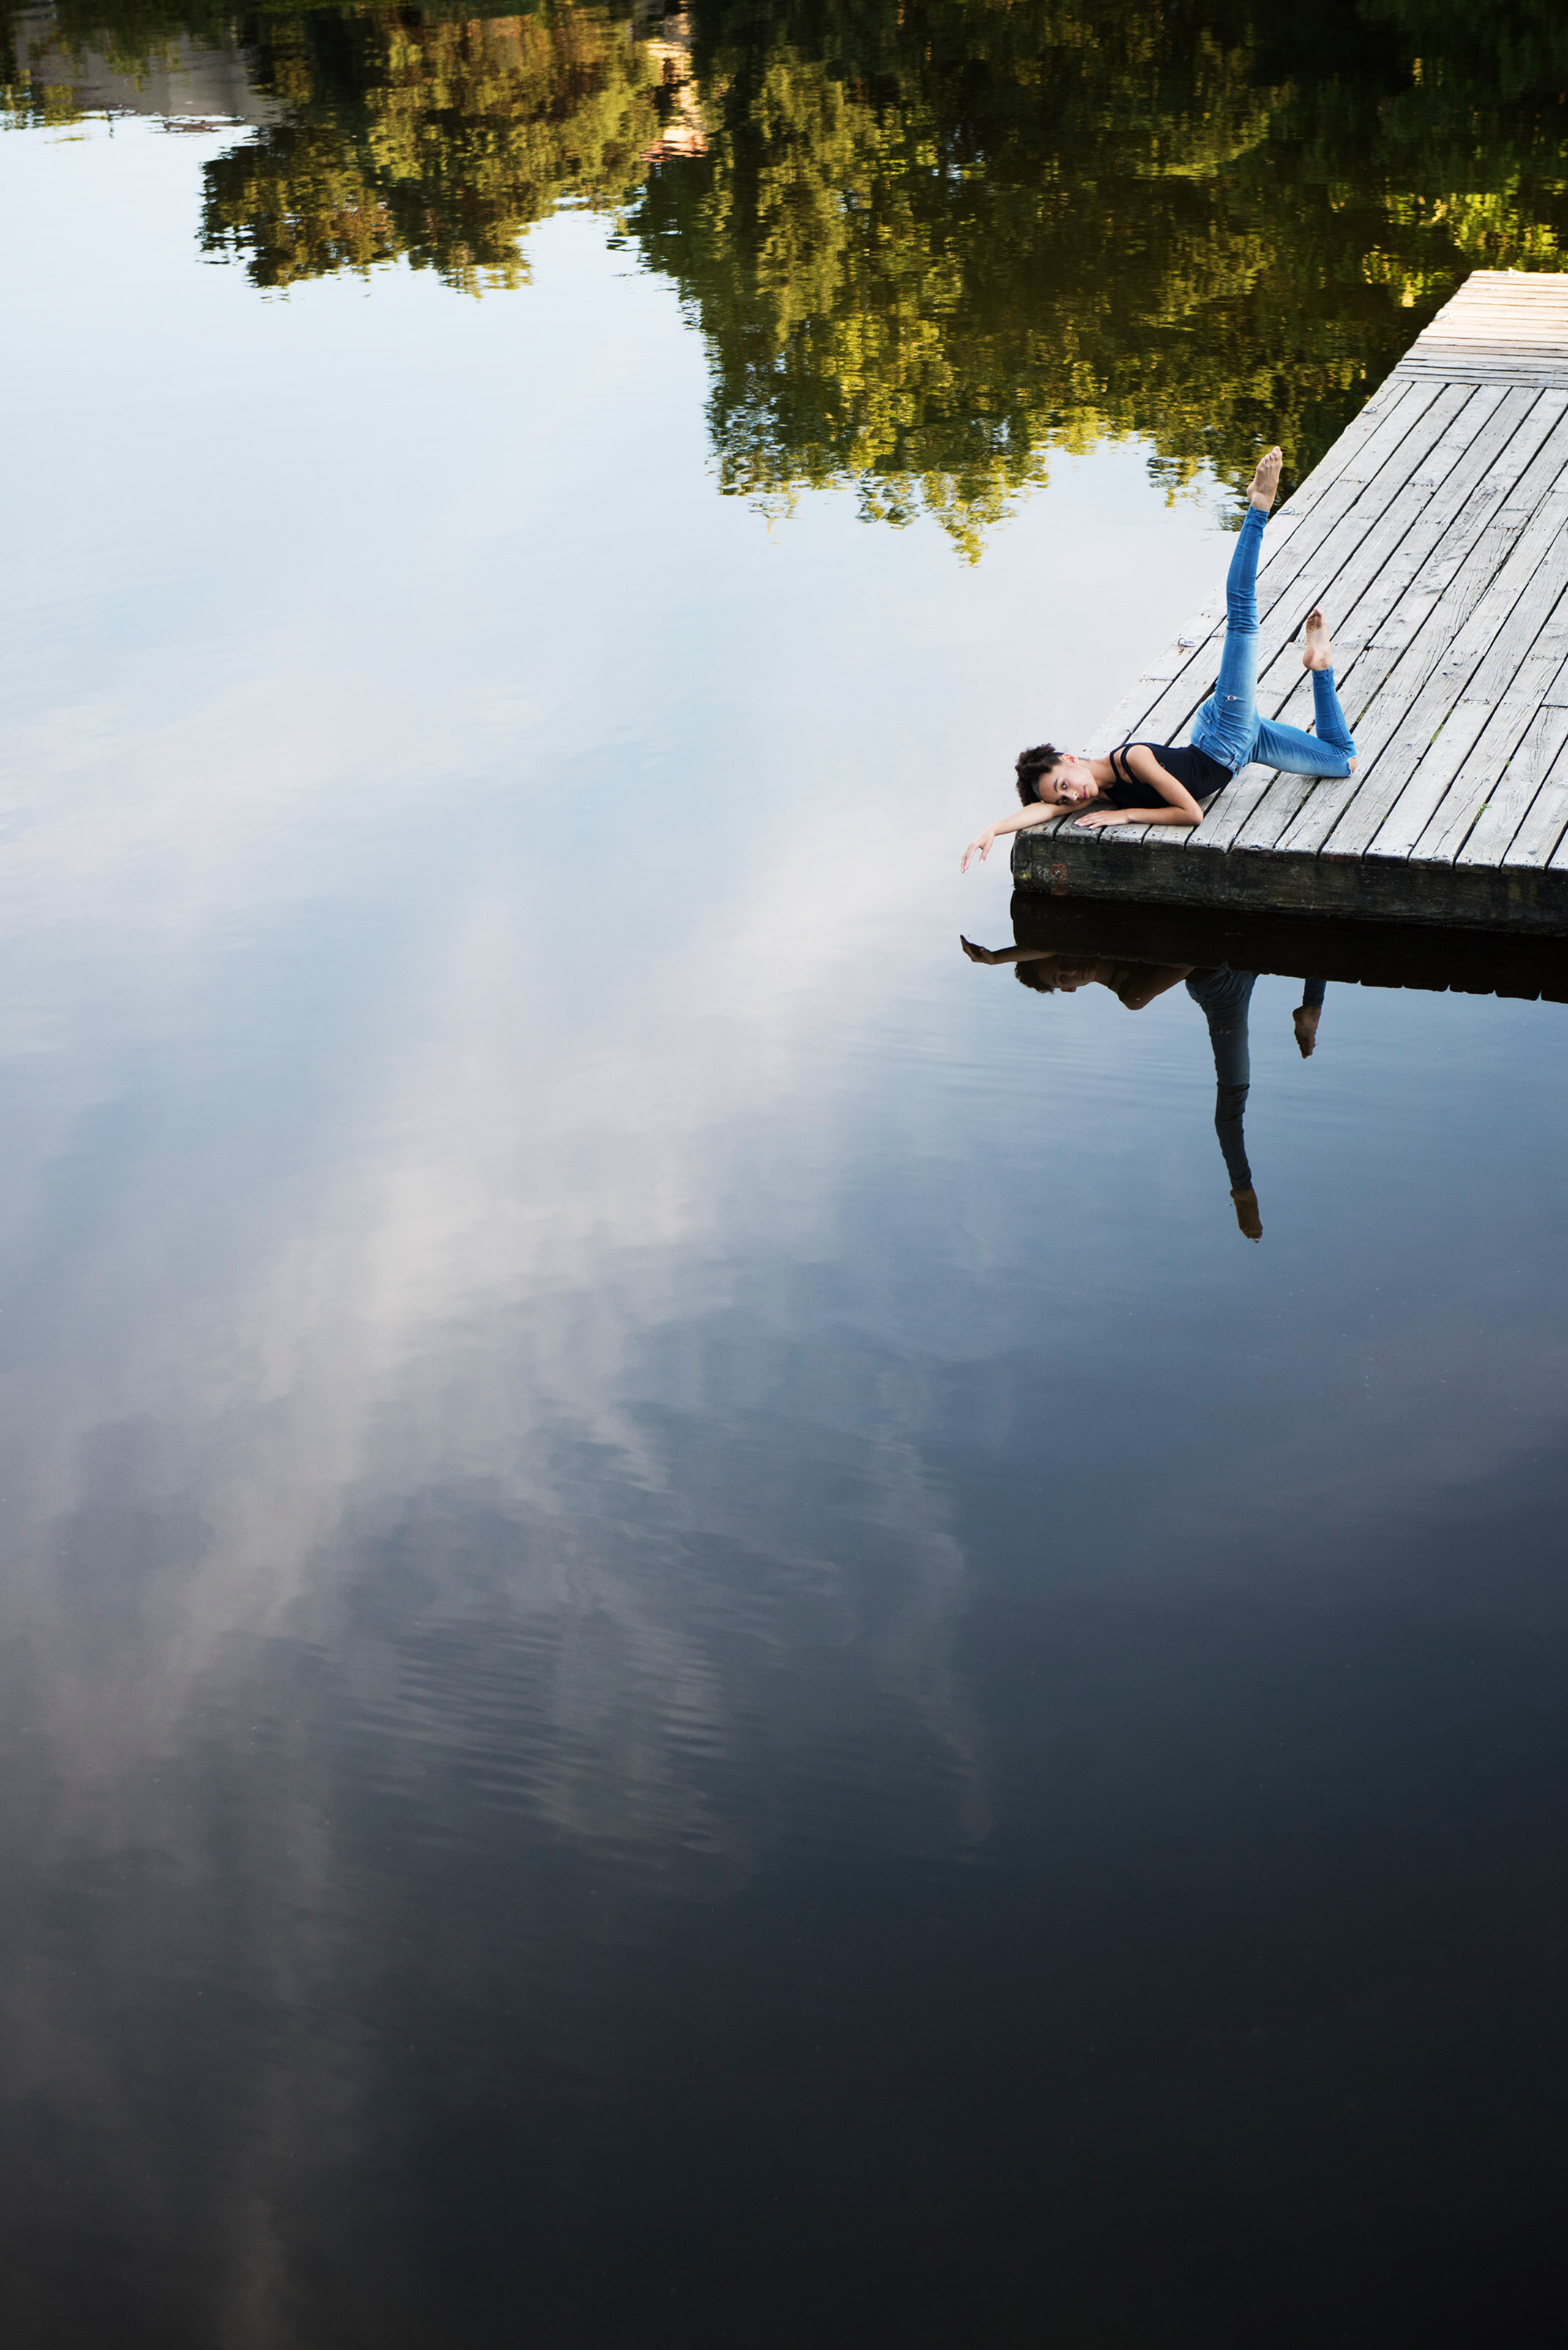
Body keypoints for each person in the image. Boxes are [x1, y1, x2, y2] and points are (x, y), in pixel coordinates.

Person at [960, 446, 1359, 872]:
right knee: (1342, 761)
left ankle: (1258, 507)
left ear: (1071, 759)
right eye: (1063, 799)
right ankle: (1321, 666)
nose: (1071, 798)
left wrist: (1127, 816)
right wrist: (992, 829)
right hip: (1241, 749)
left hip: (1228, 728)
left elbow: (1191, 814)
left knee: (1242, 615)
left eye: (1064, 786)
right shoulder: (1095, 790)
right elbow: (1039, 812)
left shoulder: (1133, 762)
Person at [961, 933, 1329, 1242]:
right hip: (1222, 988)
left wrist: (996, 958)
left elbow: (1051, 944)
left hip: (1236, 948)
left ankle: (1310, 1010)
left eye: (1064, 961)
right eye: (1062, 977)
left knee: (1318, 925)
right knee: (1231, 1105)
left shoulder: (1096, 942)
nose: (1071, 969)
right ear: (1071, 989)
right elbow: (1195, 954)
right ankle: (1242, 1190)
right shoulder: (1131, 994)